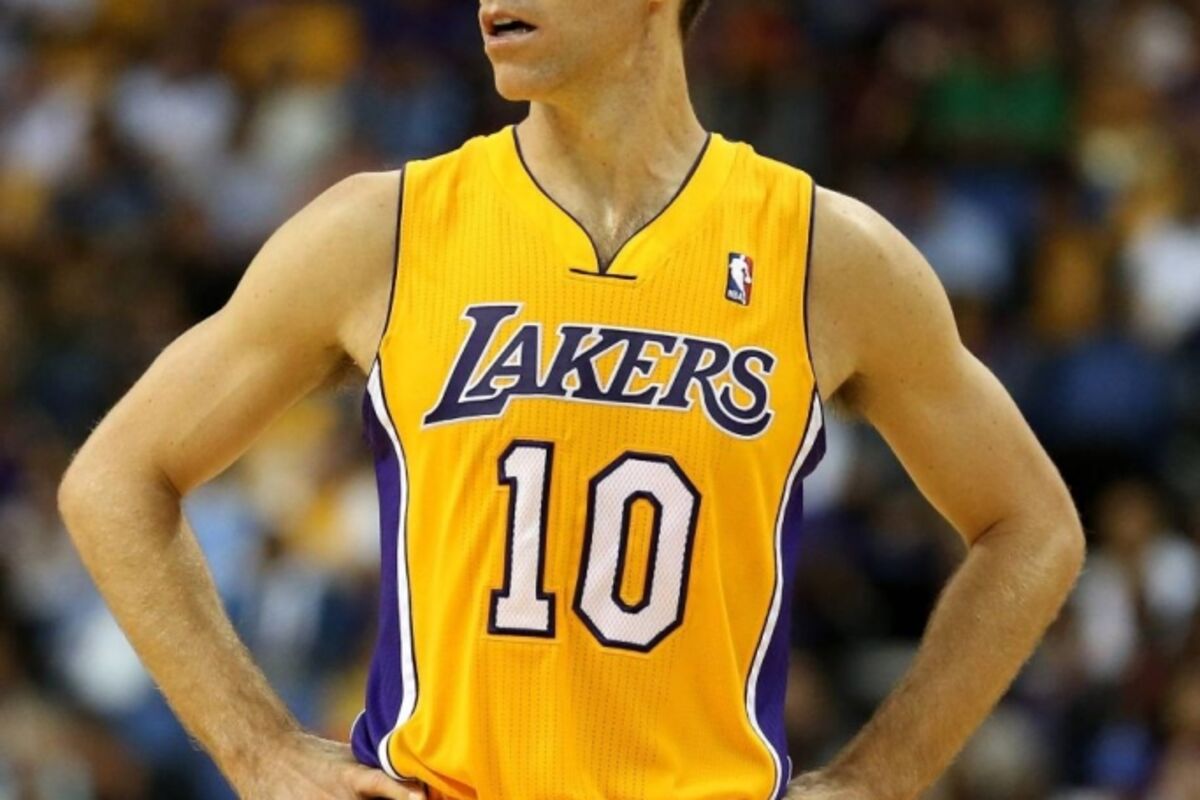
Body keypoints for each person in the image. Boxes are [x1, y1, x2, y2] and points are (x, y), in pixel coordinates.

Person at [57, 1, 1086, 798]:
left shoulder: (826, 255)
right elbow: (114, 478)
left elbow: (1032, 527)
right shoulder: (383, 231)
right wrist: (260, 752)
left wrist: (882, 774)